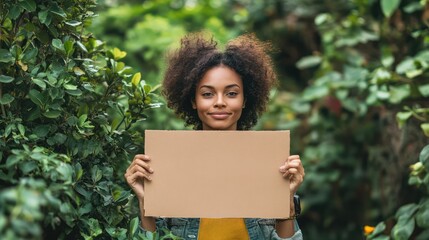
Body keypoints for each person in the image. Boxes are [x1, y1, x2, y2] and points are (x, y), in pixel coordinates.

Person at [125, 32, 305, 240]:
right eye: (207, 94)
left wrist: (286, 201)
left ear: (246, 99)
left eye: (231, 93)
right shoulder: (170, 162)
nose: (219, 102)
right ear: (193, 100)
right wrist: (146, 201)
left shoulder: (269, 162)